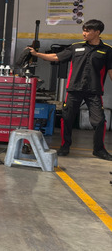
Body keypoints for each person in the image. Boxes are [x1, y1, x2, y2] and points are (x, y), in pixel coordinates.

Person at [27, 19, 112, 161]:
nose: (84, 33)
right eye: (83, 30)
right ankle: (65, 146)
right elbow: (56, 57)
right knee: (67, 118)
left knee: (99, 121)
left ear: (97, 32)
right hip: (74, 90)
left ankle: (99, 149)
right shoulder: (75, 47)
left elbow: (110, 71)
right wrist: (37, 54)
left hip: (94, 91)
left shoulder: (107, 50)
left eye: (87, 31)